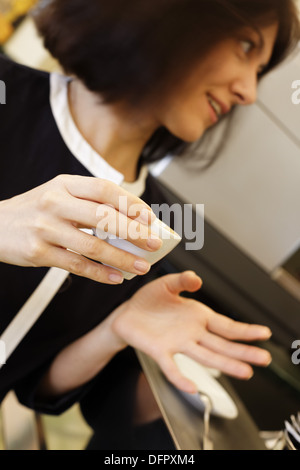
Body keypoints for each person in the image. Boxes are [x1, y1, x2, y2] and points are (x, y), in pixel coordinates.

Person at [0, 0, 299, 450]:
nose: (248, 92)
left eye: (260, 71)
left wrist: (116, 329)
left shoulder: (153, 225)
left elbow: (38, 385)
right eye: (245, 46)